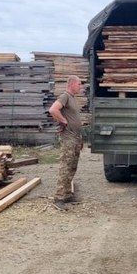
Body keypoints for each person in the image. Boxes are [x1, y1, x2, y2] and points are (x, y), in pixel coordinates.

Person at [48, 75, 84, 210]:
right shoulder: (65, 96)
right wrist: (63, 121)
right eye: (79, 84)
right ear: (72, 84)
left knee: (72, 167)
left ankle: (67, 194)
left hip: (75, 138)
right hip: (68, 138)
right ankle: (59, 198)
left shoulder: (73, 99)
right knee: (65, 167)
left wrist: (80, 138)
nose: (80, 86)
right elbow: (53, 110)